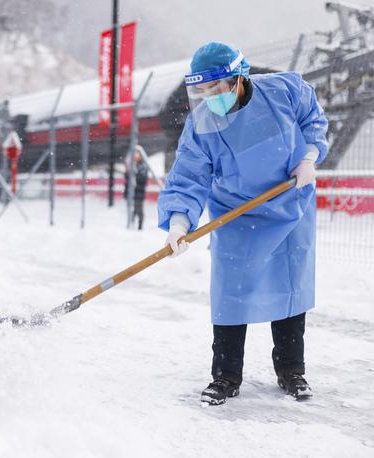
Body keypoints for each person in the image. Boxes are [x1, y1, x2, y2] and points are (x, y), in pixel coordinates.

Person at [157, 42, 328, 405]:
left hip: (289, 204)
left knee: (289, 288)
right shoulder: (201, 124)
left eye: (215, 88)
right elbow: (187, 178)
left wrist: (310, 156)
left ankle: (291, 371)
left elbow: (313, 119)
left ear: (238, 78)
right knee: (230, 293)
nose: (209, 97)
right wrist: (177, 222)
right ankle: (226, 376)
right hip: (237, 215)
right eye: (202, 90)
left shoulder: (284, 91)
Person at [127, 145, 149, 230]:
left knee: (138, 208)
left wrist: (135, 175)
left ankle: (139, 226)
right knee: (135, 208)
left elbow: (142, 178)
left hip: (139, 191)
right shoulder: (136, 165)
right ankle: (133, 224)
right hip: (136, 191)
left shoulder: (142, 166)